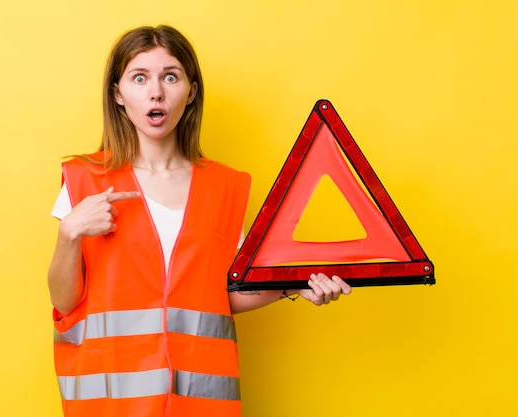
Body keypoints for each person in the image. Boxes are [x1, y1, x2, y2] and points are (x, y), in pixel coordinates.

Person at [47, 24, 351, 417]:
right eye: (140, 78)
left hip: (201, 404)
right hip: (111, 404)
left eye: (169, 77)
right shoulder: (84, 179)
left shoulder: (226, 187)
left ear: (190, 91)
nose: (156, 92)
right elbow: (64, 300)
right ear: (118, 94)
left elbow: (216, 297)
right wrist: (69, 232)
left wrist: (293, 285)